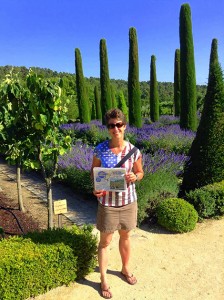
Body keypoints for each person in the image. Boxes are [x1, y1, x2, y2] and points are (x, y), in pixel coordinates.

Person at [91, 108, 144, 299]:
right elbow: (94, 173)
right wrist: (96, 187)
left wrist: (135, 176)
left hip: (128, 202)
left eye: (119, 124)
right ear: (108, 128)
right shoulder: (100, 149)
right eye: (112, 125)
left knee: (126, 236)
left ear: (125, 126)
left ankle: (125, 268)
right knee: (105, 242)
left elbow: (140, 173)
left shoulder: (134, 151)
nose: (116, 128)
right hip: (107, 204)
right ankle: (104, 279)